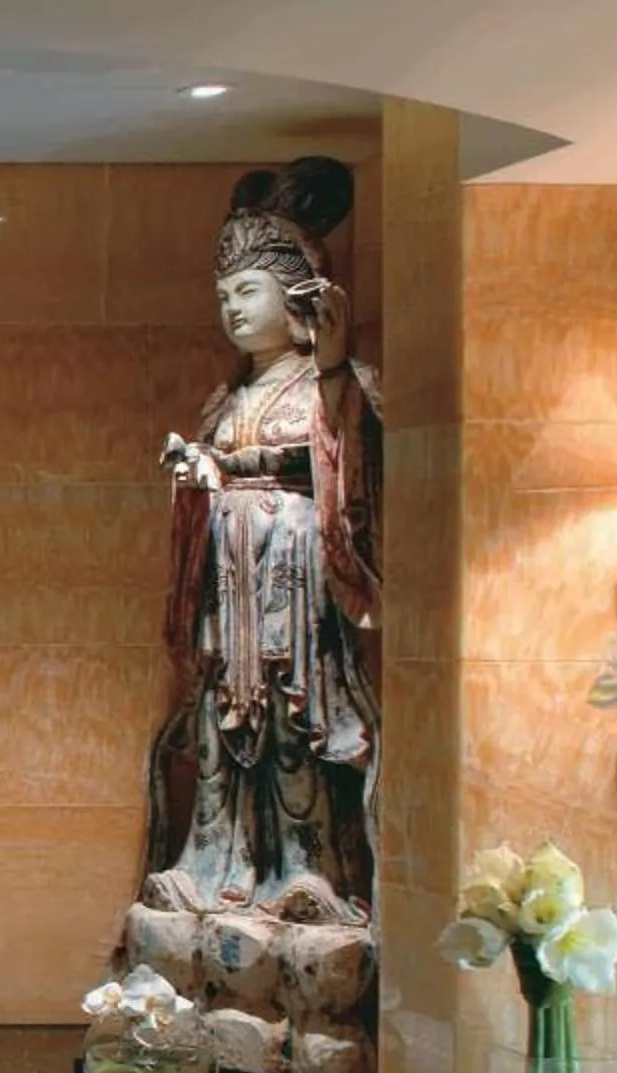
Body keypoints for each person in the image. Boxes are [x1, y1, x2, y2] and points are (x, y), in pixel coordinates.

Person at [146, 156, 382, 917]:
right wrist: (196, 469)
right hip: (230, 588)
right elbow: (211, 467)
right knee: (219, 729)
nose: (232, 309)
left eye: (248, 291)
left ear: (298, 298)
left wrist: (338, 361)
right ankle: (216, 864)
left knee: (292, 726)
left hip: (293, 594)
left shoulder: (326, 383)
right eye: (223, 295)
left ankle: (306, 870)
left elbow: (350, 463)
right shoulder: (230, 396)